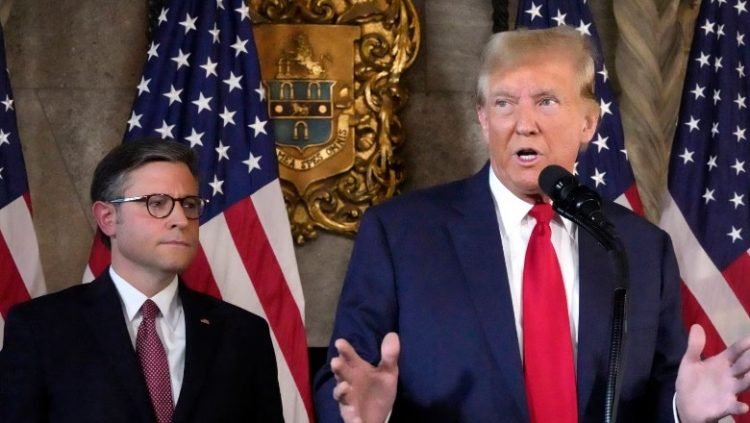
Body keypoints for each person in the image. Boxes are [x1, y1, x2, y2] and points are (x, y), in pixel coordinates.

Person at [313, 26, 750, 422]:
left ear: (588, 123)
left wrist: (680, 410)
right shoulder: (400, 235)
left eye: (546, 101)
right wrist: (368, 417)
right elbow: (345, 381)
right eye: (504, 103)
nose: (524, 125)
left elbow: (658, 391)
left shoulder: (638, 248)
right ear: (483, 118)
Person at [0, 138, 284, 422]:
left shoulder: (243, 333)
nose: (181, 219)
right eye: (157, 203)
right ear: (107, 217)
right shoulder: (41, 328)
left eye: (189, 204)